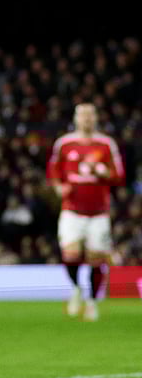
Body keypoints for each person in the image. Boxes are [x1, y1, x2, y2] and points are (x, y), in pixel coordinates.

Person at [46, 103, 124, 322]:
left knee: (95, 259)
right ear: (76, 118)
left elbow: (119, 175)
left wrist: (104, 173)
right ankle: (77, 289)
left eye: (90, 115)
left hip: (99, 212)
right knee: (70, 255)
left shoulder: (106, 144)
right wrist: (59, 188)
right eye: (83, 115)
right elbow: (53, 172)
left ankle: (91, 302)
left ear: (96, 118)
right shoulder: (64, 143)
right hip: (72, 210)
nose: (87, 119)